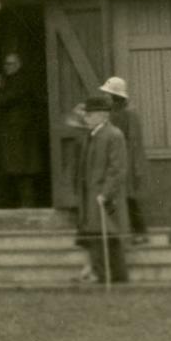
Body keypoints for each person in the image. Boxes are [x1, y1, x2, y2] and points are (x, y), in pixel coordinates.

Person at [75, 93, 131, 285]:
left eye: (90, 114)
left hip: (105, 198)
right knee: (98, 236)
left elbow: (117, 169)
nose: (86, 117)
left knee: (108, 237)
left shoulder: (113, 135)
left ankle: (113, 278)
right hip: (91, 196)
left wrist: (105, 194)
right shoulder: (92, 135)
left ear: (102, 115)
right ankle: (106, 277)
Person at [0, 51, 47, 208]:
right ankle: (17, 206)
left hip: (21, 134)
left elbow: (6, 98)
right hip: (13, 134)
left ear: (18, 65)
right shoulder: (9, 81)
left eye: (10, 64)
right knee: (15, 171)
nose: (6, 67)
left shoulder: (22, 81)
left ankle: (26, 207)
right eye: (5, 64)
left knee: (22, 172)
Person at [99, 77, 151, 244]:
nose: (105, 97)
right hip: (115, 159)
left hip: (127, 159)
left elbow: (134, 141)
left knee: (129, 198)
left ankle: (141, 232)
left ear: (116, 96)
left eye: (108, 94)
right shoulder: (110, 112)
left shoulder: (129, 113)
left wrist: (133, 165)